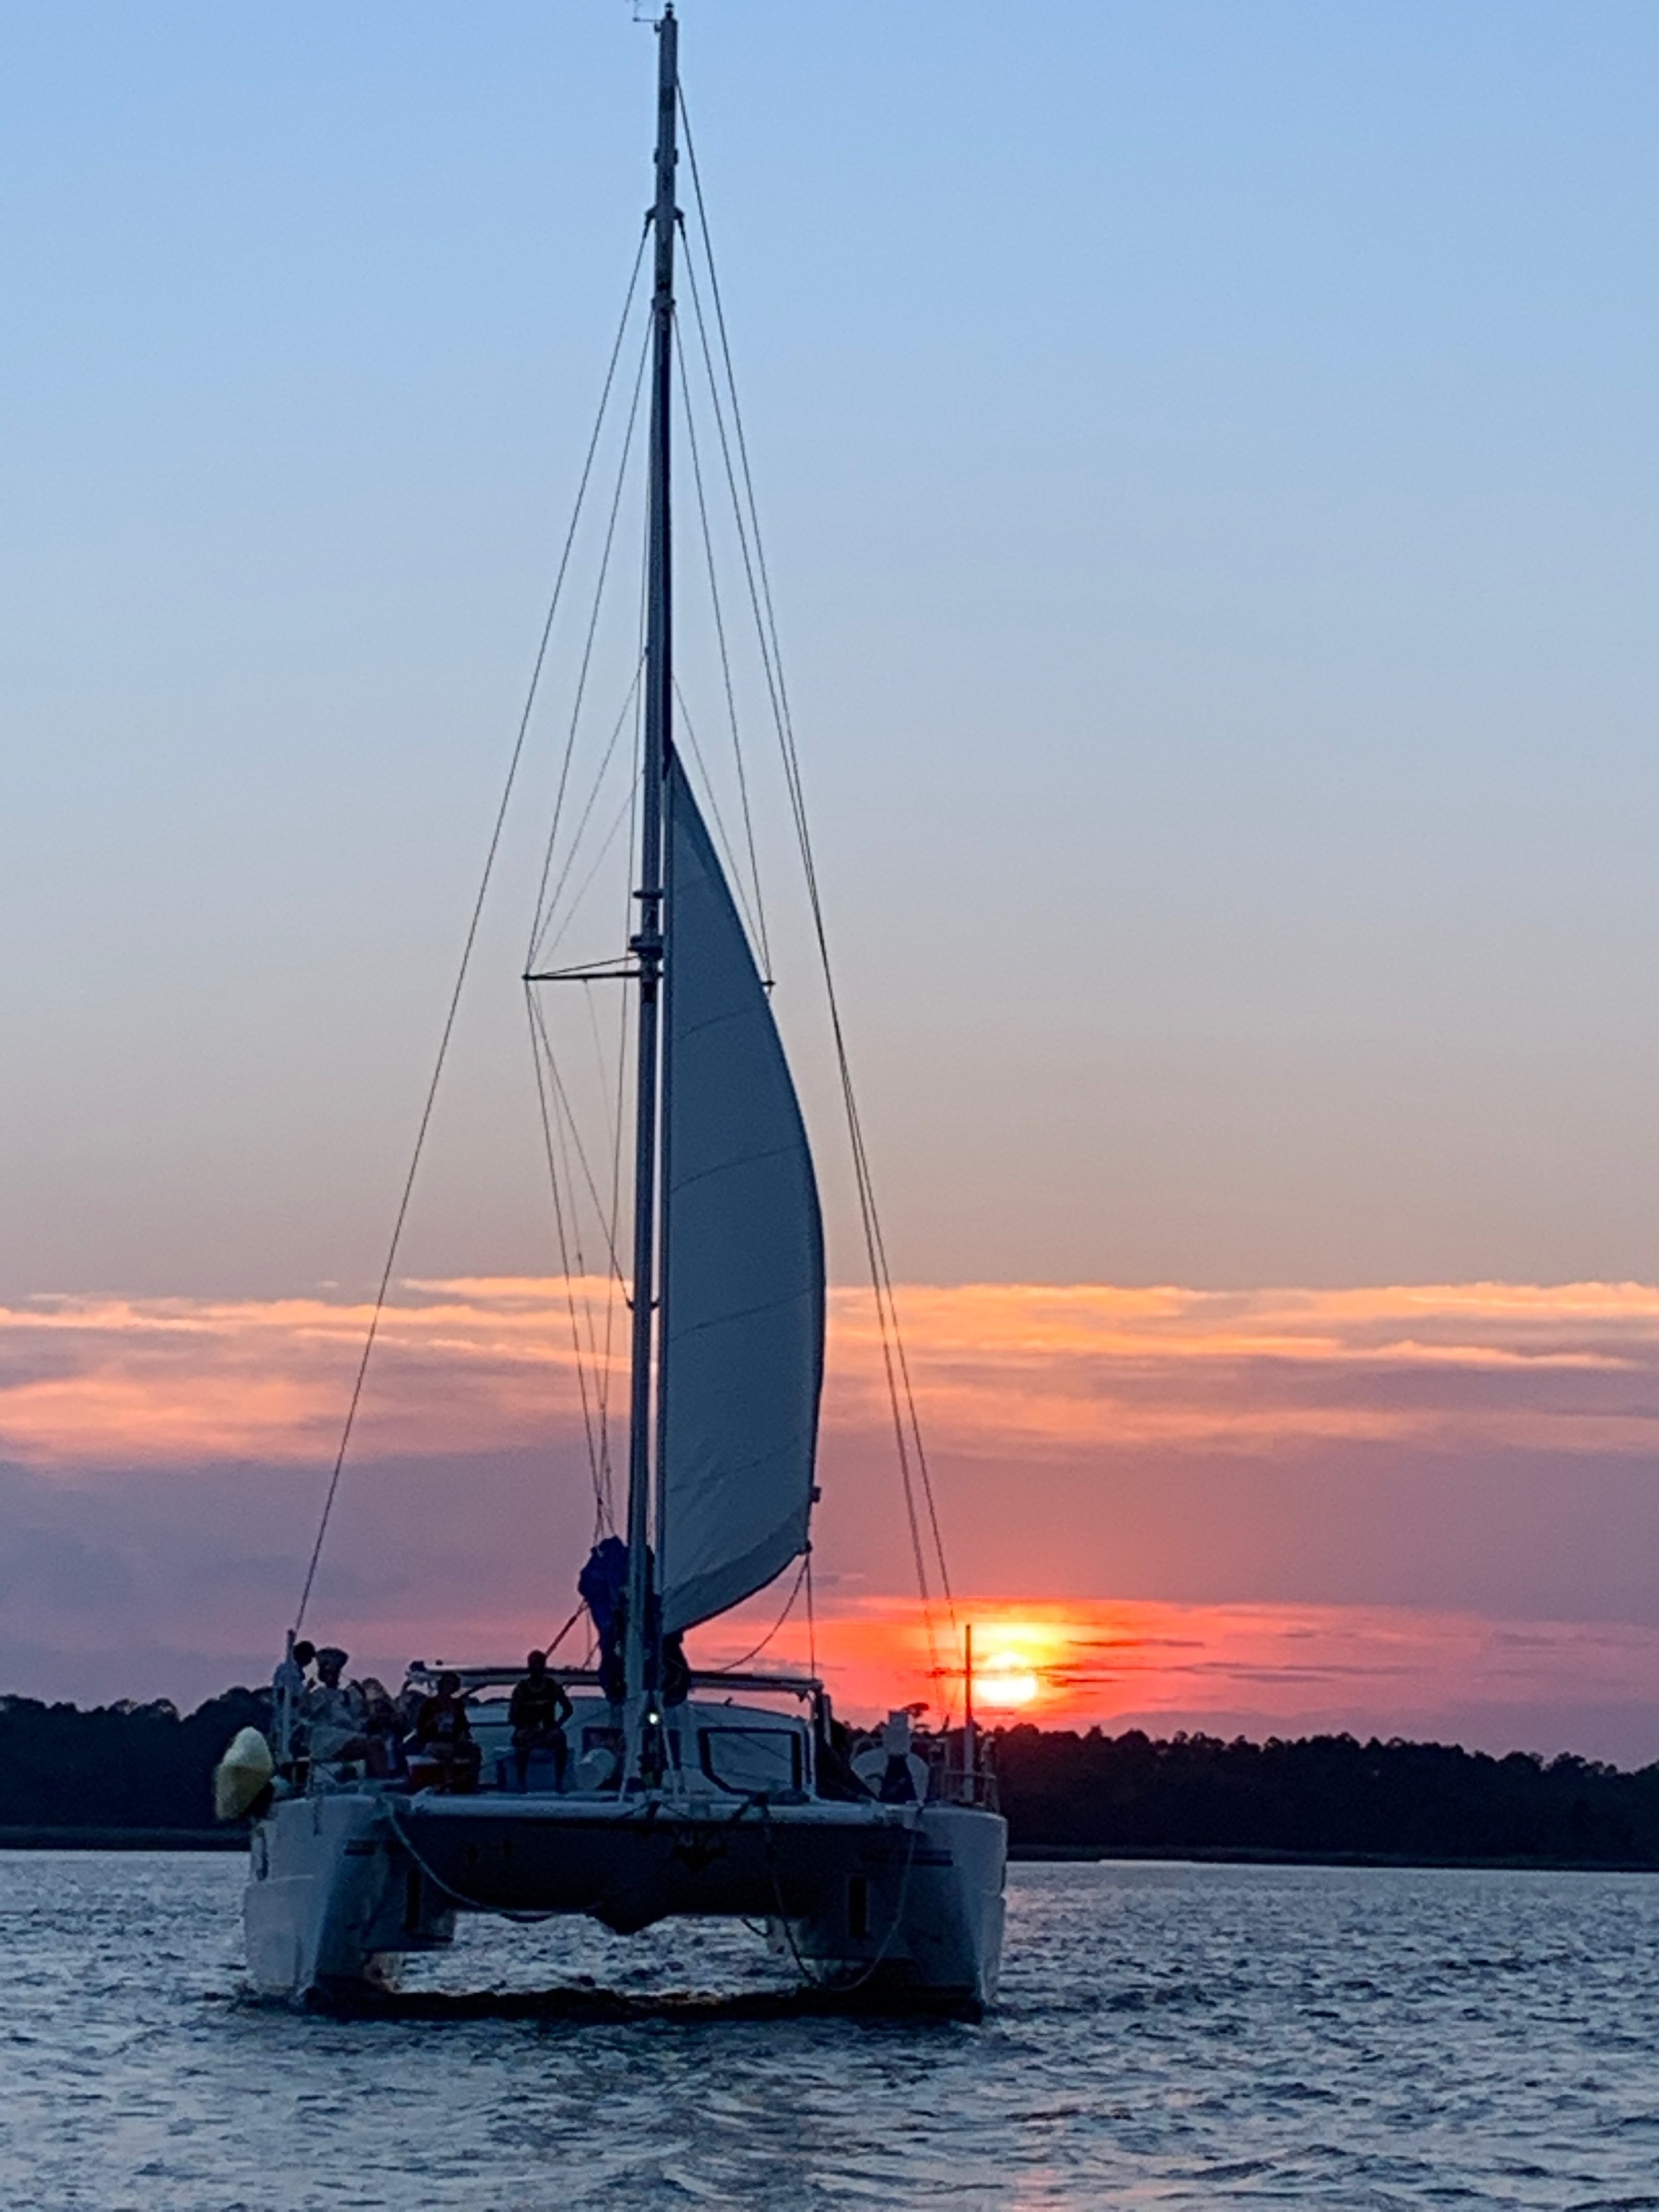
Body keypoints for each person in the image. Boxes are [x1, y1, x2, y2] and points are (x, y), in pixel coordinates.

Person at [508, 1650, 573, 1792]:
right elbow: (512, 1717)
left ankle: (559, 1781)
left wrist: (557, 1725)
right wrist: (526, 1728)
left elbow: (568, 1709)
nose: (537, 1669)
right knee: (522, 1741)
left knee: (561, 1740)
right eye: (534, 1665)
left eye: (540, 1665)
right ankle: (521, 1782)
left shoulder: (553, 1686)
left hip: (549, 1728)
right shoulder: (521, 1689)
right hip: (527, 1728)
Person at [412, 1671, 481, 1793]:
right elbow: (421, 1728)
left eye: (453, 1684)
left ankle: (474, 1784)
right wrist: (433, 1721)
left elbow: (463, 1725)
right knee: (447, 1751)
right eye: (448, 1683)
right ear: (442, 1684)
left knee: (475, 1751)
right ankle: (449, 1784)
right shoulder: (430, 1704)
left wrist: (463, 1736)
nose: (450, 1686)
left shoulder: (457, 1704)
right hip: (433, 1741)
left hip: (453, 1740)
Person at [305, 1647, 368, 1765]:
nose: (333, 1676)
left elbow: (360, 1718)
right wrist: (306, 1691)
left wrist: (363, 1696)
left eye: (335, 1673)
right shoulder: (319, 1694)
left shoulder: (346, 1695)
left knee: (377, 1742)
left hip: (347, 1734)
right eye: (328, 1673)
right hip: (327, 1738)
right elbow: (306, 1712)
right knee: (372, 1745)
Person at [270, 1639, 315, 1764]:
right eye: (309, 1657)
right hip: (286, 1722)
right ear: (301, 1655)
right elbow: (288, 1697)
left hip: (293, 1722)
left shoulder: (296, 1673)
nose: (310, 1661)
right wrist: (307, 1690)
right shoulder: (288, 1670)